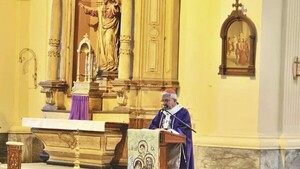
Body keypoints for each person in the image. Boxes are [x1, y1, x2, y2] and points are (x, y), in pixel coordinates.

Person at [148, 88, 194, 169]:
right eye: (163, 101)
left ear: (174, 100)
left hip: (177, 148)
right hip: (161, 146)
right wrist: (157, 130)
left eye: (166, 100)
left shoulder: (183, 112)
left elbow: (185, 129)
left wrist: (169, 132)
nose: (164, 103)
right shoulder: (161, 112)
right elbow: (152, 126)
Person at [78, 0, 121, 72]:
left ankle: (112, 63)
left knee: (109, 44)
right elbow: (93, 10)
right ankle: (106, 64)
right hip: (102, 31)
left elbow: (117, 10)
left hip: (110, 30)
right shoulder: (101, 9)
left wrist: (116, 5)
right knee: (103, 46)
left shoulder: (113, 7)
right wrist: (84, 7)